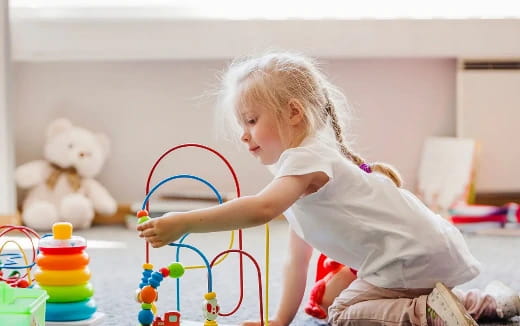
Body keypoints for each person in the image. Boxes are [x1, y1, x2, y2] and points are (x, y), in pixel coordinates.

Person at [137, 52, 520, 326]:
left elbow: (258, 210)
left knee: (343, 315)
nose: (244, 135)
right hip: (419, 253)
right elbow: (296, 262)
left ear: (293, 112)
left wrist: (184, 222)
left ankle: (426, 314)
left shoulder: (306, 158)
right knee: (339, 296)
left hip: (410, 259)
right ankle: (485, 304)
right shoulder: (304, 170)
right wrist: (279, 320)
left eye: (252, 120)